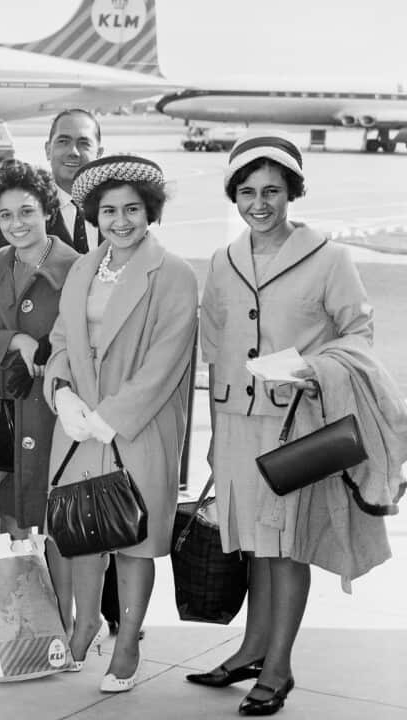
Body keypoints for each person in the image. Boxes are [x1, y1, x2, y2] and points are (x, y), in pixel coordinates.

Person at [188, 133, 406, 716]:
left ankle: (279, 668)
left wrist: (315, 368)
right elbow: (213, 349)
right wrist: (211, 442)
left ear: (292, 194)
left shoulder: (329, 257)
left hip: (297, 426)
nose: (259, 203)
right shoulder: (222, 260)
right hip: (235, 424)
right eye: (248, 192)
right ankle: (250, 652)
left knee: (286, 547)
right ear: (234, 195)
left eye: (273, 191)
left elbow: (358, 334)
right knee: (255, 546)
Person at [42, 154, 197, 691]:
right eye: (109, 211)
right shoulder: (84, 266)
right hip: (79, 425)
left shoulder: (173, 273)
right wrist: (61, 393)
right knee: (84, 533)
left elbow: (167, 359)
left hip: (138, 427)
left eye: (133, 209)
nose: (121, 221)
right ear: (94, 215)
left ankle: (127, 642)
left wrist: (110, 418)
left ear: (150, 211)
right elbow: (63, 341)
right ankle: (85, 625)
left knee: (134, 539)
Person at [0, 159, 79, 624]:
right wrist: (15, 340)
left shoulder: (78, 267)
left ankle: (67, 624)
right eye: (6, 215)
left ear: (47, 210)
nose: (17, 224)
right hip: (6, 411)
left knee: (60, 521)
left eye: (27, 212)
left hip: (56, 411)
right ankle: (24, 626)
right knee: (12, 514)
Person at [0, 109, 103, 253]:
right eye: (63, 142)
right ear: (48, 150)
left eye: (83, 143)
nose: (73, 152)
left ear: (99, 153)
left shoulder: (116, 208)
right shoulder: (18, 210)